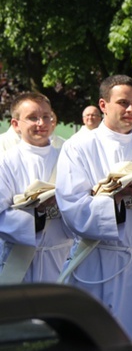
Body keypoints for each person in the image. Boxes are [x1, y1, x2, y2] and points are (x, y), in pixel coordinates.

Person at [56, 74, 132, 351]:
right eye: (123, 103)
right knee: (100, 349)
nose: (131, 110)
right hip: (99, 261)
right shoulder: (80, 147)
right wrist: (117, 197)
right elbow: (72, 207)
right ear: (103, 105)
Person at [0, 92, 74, 283]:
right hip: (18, 260)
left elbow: (80, 205)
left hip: (60, 257)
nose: (41, 123)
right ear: (16, 125)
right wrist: (37, 213)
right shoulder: (6, 161)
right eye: (33, 118)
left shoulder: (68, 158)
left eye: (46, 117)